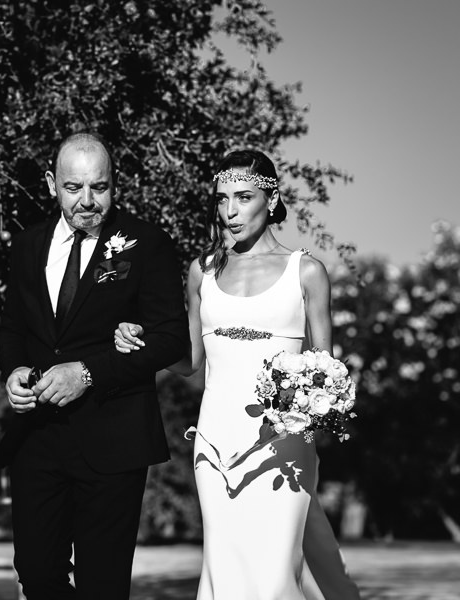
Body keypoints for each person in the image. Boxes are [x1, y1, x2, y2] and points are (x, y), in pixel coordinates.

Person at [114, 149, 360, 599]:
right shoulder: (201, 272)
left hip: (283, 448)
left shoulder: (306, 273)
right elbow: (190, 363)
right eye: (222, 198)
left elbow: (329, 371)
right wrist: (145, 343)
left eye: (243, 197)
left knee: (272, 577)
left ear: (271, 199)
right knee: (225, 571)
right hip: (214, 443)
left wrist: (306, 405)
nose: (229, 211)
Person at [0, 132, 188, 600]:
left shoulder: (147, 244)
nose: (87, 201)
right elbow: (12, 325)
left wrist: (87, 373)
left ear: (114, 185)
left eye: (98, 187)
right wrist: (14, 371)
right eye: (73, 187)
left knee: (102, 585)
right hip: (37, 439)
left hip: (113, 438)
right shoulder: (25, 246)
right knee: (37, 575)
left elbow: (170, 339)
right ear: (51, 184)